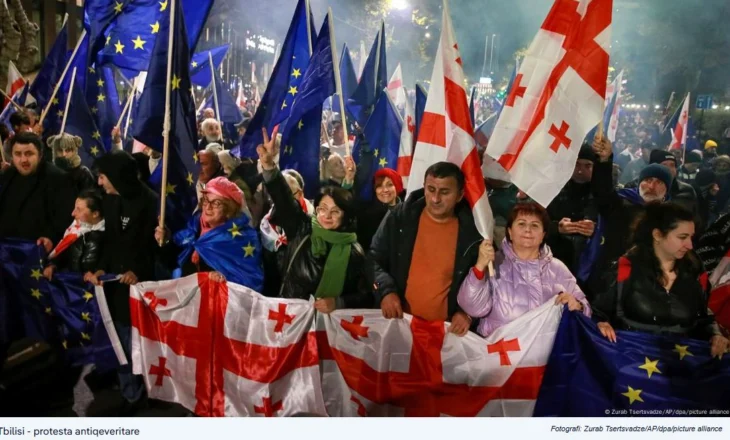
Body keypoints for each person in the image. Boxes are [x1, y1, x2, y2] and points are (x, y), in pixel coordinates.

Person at [593, 202, 729, 357]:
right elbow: (598, 312)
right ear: (657, 235)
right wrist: (601, 323)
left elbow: (703, 316)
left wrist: (715, 333)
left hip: (680, 368)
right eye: (682, 237)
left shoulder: (695, 271)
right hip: (631, 362)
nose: (690, 245)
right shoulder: (625, 268)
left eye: (691, 237)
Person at [258, 128, 372, 312]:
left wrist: (338, 303)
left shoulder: (354, 252)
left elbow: (365, 295)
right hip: (290, 319)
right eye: (322, 209)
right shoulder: (302, 228)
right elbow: (284, 199)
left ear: (345, 216)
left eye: (335, 212)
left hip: (326, 330)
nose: (327, 216)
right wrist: (270, 165)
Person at [368, 162, 481, 335]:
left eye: (444, 192)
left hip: (446, 337)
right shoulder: (399, 217)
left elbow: (484, 283)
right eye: (431, 189)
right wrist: (385, 292)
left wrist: (467, 313)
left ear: (460, 195)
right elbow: (373, 259)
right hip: (397, 328)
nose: (435, 199)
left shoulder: (474, 233)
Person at [457, 203, 591, 338]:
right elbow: (472, 308)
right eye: (521, 224)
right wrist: (479, 267)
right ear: (510, 231)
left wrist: (577, 305)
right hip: (499, 353)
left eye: (535, 225)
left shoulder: (558, 268)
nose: (528, 230)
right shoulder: (493, 264)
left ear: (543, 234)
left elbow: (586, 310)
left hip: (545, 356)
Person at [92, 150, 158, 409]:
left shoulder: (150, 201)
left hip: (140, 288)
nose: (99, 183)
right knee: (117, 336)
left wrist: (137, 271)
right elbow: (108, 240)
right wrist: (98, 267)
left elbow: (155, 249)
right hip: (113, 285)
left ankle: (144, 389)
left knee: (137, 342)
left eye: (102, 177)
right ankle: (127, 386)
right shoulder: (108, 200)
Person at [589, 136, 674, 300]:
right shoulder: (620, 205)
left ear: (667, 190)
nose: (651, 186)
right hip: (612, 281)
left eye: (659, 182)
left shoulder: (672, 218)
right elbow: (602, 191)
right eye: (648, 180)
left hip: (651, 287)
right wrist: (605, 161)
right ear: (639, 183)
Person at [155, 177, 263, 291]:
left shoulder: (243, 238)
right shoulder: (193, 226)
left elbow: (251, 283)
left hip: (214, 304)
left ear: (230, 210)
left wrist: (223, 280)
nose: (208, 206)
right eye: (206, 200)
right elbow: (171, 262)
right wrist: (166, 241)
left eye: (216, 203)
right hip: (182, 299)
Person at [0, 132, 76, 249]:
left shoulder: (58, 178)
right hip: (5, 248)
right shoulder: (7, 175)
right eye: (18, 154)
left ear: (40, 155)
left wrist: (51, 237)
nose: (23, 159)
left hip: (37, 250)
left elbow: (66, 218)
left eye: (29, 154)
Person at [547, 143, 599, 280]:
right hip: (556, 261)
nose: (581, 171)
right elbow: (540, 223)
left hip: (590, 267)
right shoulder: (555, 190)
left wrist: (595, 229)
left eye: (587, 166)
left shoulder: (603, 194)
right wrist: (557, 228)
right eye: (577, 165)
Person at [43, 189, 105, 280]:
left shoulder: (109, 235)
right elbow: (66, 253)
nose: (72, 213)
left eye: (78, 210)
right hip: (74, 286)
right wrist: (53, 266)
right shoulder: (75, 229)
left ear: (95, 214)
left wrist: (99, 272)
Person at [356, 167, 404, 252]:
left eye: (389, 185)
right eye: (379, 186)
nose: (385, 190)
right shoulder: (366, 215)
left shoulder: (407, 212)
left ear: (397, 186)